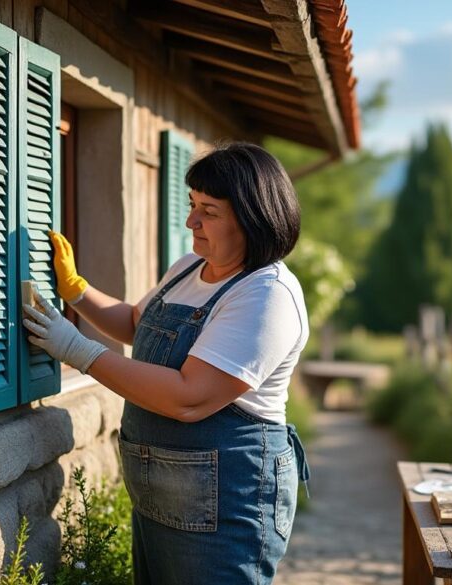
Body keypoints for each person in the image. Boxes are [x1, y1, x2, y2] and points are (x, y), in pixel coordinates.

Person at [22, 142, 311, 584]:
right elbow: (138, 325)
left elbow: (189, 398)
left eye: (209, 211)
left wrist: (76, 349)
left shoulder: (266, 295)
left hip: (226, 500)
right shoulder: (189, 266)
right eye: (192, 204)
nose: (191, 220)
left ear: (254, 218)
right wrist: (76, 290)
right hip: (165, 492)